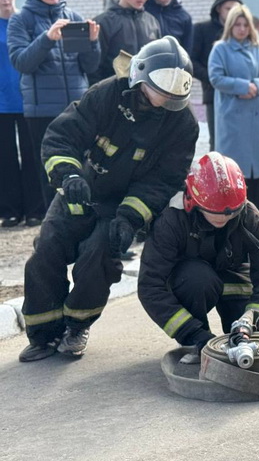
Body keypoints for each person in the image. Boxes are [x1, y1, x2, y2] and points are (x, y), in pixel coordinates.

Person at [18, 36, 199, 362]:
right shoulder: (107, 95)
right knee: (46, 254)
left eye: (174, 91)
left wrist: (130, 218)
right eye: (161, 87)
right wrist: (69, 176)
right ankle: (43, 336)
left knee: (97, 261)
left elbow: (165, 180)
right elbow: (62, 136)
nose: (165, 97)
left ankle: (76, 328)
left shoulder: (182, 124)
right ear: (140, 74)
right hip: (79, 192)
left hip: (120, 208)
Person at [138, 152, 259, 360]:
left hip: (235, 278)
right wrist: (193, 334)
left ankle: (242, 331)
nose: (224, 216)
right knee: (196, 278)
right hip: (193, 282)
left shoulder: (247, 214)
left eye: (231, 212)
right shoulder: (173, 220)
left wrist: (253, 318)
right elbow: (150, 286)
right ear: (192, 201)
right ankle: (198, 343)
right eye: (214, 212)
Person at [7, 0, 101, 221]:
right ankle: (56, 235)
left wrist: (93, 42)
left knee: (87, 171)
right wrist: (47, 38)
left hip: (78, 110)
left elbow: (90, 66)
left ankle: (90, 231)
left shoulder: (73, 18)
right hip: (42, 113)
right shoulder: (20, 21)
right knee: (52, 176)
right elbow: (22, 62)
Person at [208, 4, 259, 210]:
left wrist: (256, 86)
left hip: (255, 118)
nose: (242, 28)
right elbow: (215, 77)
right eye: (237, 24)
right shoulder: (220, 48)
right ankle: (235, 221)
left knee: (256, 174)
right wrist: (242, 86)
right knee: (234, 174)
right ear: (230, 25)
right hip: (233, 119)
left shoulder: (256, 49)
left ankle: (256, 221)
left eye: (246, 24)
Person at [0, 0, 40, 228]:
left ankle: (36, 209)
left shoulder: (25, 21)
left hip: (28, 99)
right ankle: (9, 210)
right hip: (1, 103)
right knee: (5, 157)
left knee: (32, 155)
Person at [91, 0, 161, 85]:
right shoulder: (103, 22)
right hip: (113, 95)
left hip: (147, 96)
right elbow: (94, 68)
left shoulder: (152, 22)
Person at [190, 0, 242, 151]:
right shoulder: (202, 29)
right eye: (228, 8)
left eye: (236, 9)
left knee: (240, 141)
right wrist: (213, 78)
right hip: (214, 95)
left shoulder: (241, 31)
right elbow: (191, 62)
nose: (232, 13)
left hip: (241, 95)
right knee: (219, 143)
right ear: (219, 8)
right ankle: (217, 176)